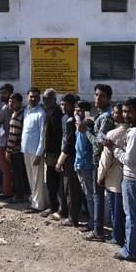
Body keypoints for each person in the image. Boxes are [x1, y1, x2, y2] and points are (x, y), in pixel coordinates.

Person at [111, 97, 136, 261]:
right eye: (124, 111)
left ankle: (130, 251)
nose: (126, 115)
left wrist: (115, 149)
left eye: (130, 112)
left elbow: (130, 160)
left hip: (132, 178)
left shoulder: (134, 133)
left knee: (131, 216)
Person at [77, 84, 114, 242]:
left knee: (98, 195)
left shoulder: (106, 117)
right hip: (97, 160)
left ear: (108, 98)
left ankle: (98, 230)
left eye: (102, 95)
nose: (98, 98)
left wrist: (85, 131)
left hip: (99, 160)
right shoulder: (100, 115)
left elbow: (99, 143)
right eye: (96, 95)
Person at [98, 103, 127, 246]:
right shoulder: (134, 131)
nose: (114, 115)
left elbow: (105, 159)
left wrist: (100, 176)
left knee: (116, 210)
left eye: (116, 113)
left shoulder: (112, 134)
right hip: (127, 176)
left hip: (114, 178)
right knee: (125, 210)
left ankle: (117, 237)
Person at [55, 94, 82, 225]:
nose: (63, 107)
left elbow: (69, 143)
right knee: (66, 187)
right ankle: (65, 211)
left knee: (72, 189)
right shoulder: (65, 118)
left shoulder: (72, 121)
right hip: (66, 157)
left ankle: (73, 218)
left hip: (70, 158)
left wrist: (60, 160)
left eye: (66, 105)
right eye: (62, 104)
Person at [21, 87, 47, 212]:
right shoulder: (26, 110)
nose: (33, 98)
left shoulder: (41, 113)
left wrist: (39, 153)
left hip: (36, 152)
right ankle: (33, 200)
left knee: (37, 180)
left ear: (39, 98)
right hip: (26, 149)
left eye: (36, 96)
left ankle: (38, 205)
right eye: (31, 96)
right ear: (27, 97)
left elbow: (43, 136)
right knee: (31, 177)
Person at [41, 88, 64, 218]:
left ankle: (54, 207)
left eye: (47, 98)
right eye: (43, 98)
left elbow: (57, 134)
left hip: (54, 153)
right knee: (52, 181)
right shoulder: (49, 110)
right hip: (51, 152)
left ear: (54, 99)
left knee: (52, 181)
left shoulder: (55, 112)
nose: (44, 100)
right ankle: (55, 206)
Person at [74, 100, 96, 226]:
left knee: (90, 195)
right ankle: (91, 219)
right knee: (87, 195)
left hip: (87, 165)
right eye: (76, 109)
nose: (78, 112)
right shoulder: (79, 125)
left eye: (81, 110)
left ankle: (93, 222)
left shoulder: (88, 124)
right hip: (80, 164)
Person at [0, 84, 14, 198]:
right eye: (1, 93)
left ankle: (7, 192)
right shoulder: (11, 107)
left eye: (4, 93)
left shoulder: (5, 108)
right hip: (10, 141)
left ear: (10, 93)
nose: (1, 95)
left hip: (3, 142)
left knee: (5, 169)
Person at [5, 92, 28, 203]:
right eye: (10, 101)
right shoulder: (22, 113)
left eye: (13, 102)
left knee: (17, 173)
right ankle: (25, 192)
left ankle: (19, 196)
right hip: (21, 149)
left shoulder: (16, 117)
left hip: (15, 150)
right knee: (21, 172)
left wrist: (8, 151)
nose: (11, 104)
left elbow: (12, 136)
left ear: (19, 102)